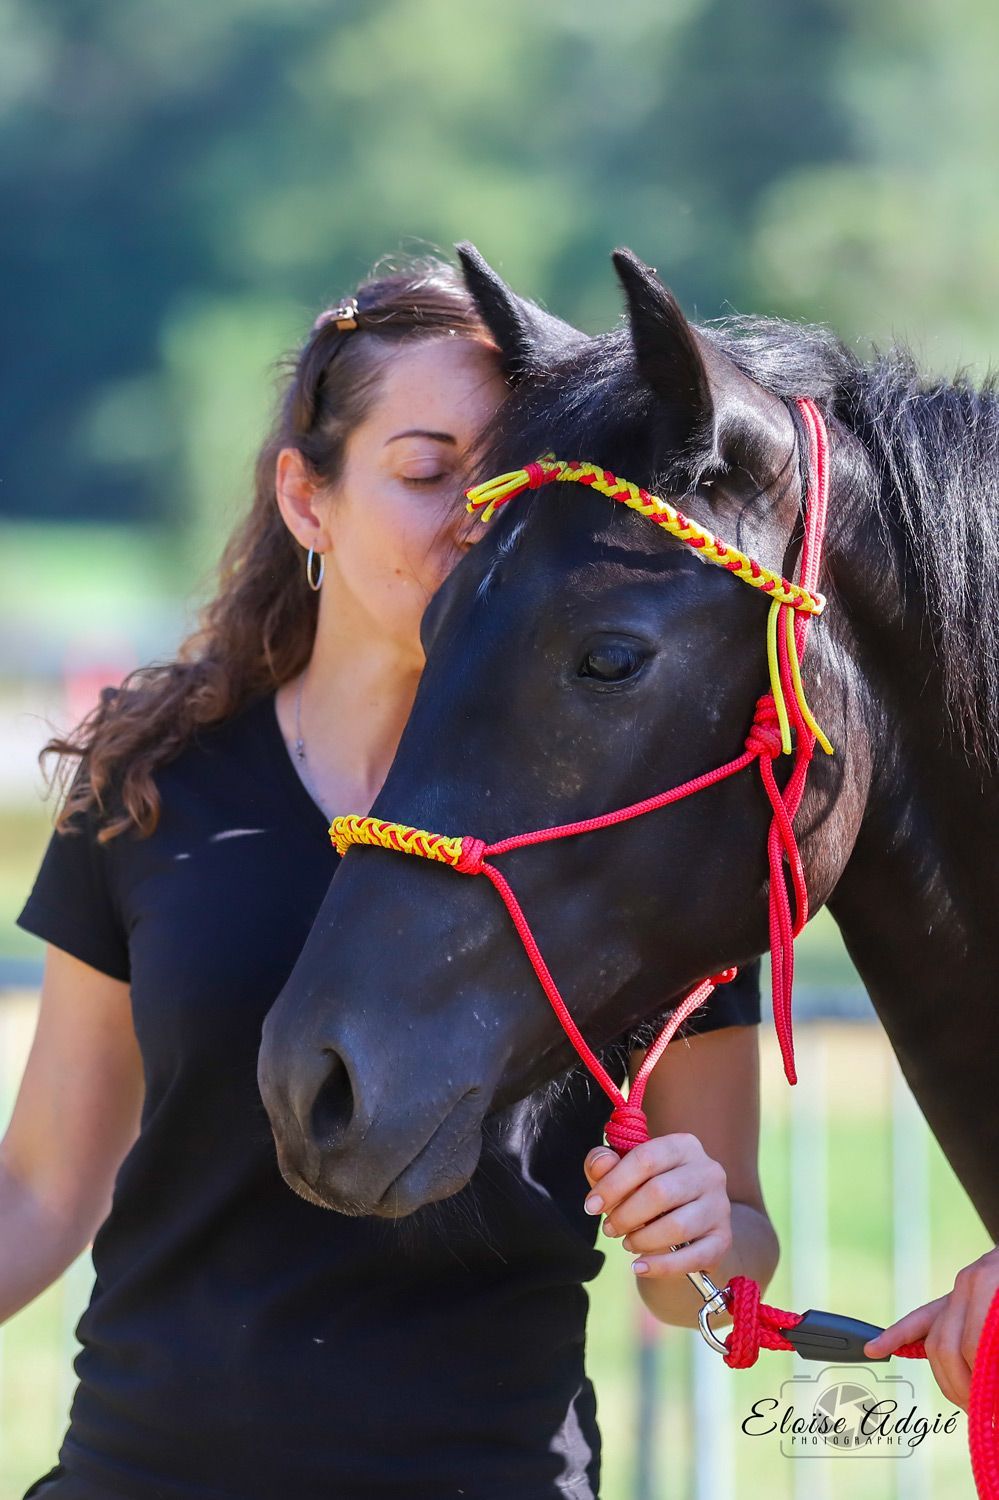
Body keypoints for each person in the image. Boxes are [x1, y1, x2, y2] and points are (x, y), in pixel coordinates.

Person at [5, 250, 776, 1500]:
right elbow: (40, 1189)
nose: (479, 510)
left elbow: (721, 1262)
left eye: (509, 477)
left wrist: (700, 1233)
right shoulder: (153, 785)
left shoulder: (640, 811)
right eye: (427, 471)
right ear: (307, 501)